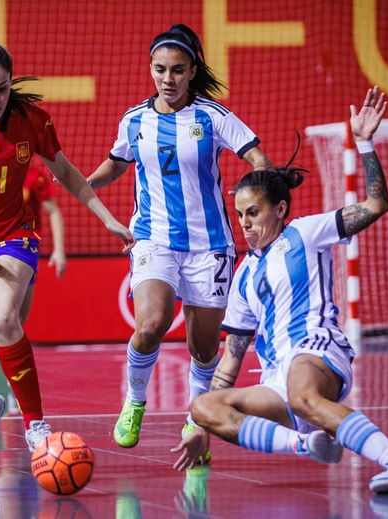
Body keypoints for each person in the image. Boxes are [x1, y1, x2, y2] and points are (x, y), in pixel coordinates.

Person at [172, 87, 388, 494]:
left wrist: (364, 141)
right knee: (203, 406)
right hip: (279, 377)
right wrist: (200, 427)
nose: (244, 222)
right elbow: (231, 360)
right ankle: (306, 444)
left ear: (279, 209)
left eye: (254, 212)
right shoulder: (243, 276)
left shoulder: (306, 232)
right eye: (240, 214)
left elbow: (376, 204)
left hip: (316, 347)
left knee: (302, 396)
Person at [0, 28, 135, 462]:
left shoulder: (30, 120)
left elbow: (66, 173)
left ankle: (36, 425)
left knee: (1, 318)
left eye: (2, 88)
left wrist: (108, 218)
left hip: (8, 234)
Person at [86, 24, 273, 453]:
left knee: (203, 348)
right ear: (150, 69)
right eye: (160, 69)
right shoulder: (135, 120)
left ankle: (195, 418)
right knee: (150, 326)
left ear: (192, 71)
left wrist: (263, 184)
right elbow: (116, 164)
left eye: (177, 70)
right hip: (153, 239)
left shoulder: (213, 116)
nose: (168, 79)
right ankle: (134, 402)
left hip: (210, 246)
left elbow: (257, 157)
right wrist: (81, 184)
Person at [20, 165, 66, 323]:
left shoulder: (32, 175)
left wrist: (59, 250)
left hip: (26, 247)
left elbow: (53, 210)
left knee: (20, 316)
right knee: (4, 316)